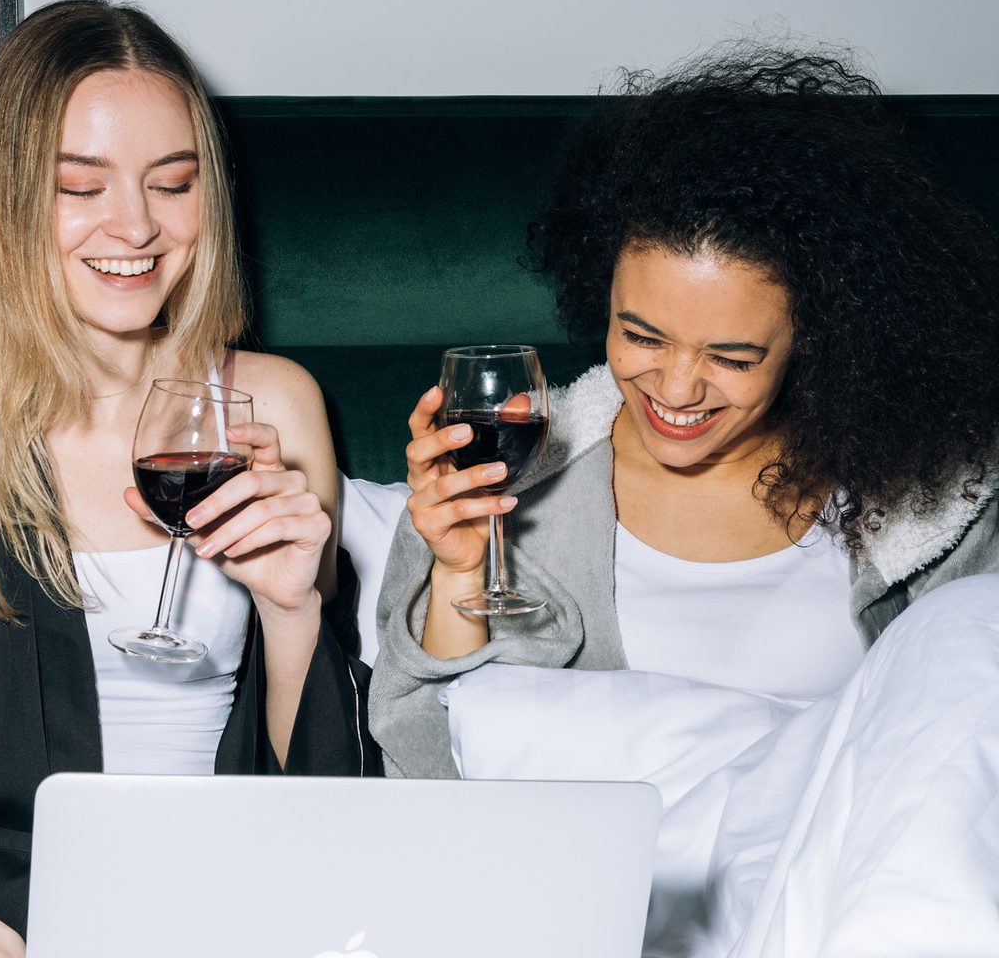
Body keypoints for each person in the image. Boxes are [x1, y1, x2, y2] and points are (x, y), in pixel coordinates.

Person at [368, 49, 999, 953]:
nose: (675, 389)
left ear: (816, 338)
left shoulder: (935, 501)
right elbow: (424, 772)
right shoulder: (504, 479)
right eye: (642, 336)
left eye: (731, 358)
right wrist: (461, 572)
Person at [0, 0, 377, 951]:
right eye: (81, 186)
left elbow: (324, 801)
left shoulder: (274, 404)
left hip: (234, 906)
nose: (137, 227)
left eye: (173, 183)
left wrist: (290, 610)